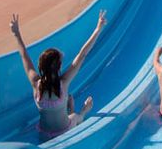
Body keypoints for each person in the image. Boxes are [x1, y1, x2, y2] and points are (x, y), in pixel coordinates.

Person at [10, 10, 106, 138]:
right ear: (59, 67)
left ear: (40, 67)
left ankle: (69, 107)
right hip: (64, 131)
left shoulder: (35, 83)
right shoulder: (63, 83)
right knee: (76, 116)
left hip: (44, 133)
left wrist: (16, 34)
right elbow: (82, 54)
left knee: (62, 109)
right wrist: (98, 29)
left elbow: (23, 55)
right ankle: (82, 110)